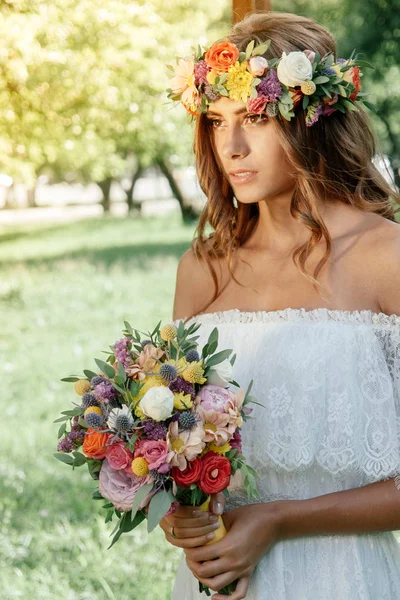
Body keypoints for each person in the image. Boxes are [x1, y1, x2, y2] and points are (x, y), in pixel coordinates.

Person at [159, 11, 400, 600]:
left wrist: (277, 521)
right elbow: (166, 450)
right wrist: (181, 516)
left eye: (255, 119)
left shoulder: (385, 258)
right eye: (216, 122)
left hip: (345, 580)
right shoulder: (202, 271)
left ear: (311, 120)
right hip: (222, 581)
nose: (230, 147)